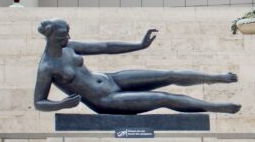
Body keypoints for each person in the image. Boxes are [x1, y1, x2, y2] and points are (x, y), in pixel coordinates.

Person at [33, 18, 241, 114]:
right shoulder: (47, 67)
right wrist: (61, 105)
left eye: (68, 33)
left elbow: (106, 46)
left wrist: (139, 45)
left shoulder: (71, 46)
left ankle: (217, 78)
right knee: (164, 98)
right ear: (51, 35)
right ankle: (217, 107)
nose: (67, 37)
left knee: (169, 75)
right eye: (63, 34)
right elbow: (39, 102)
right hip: (105, 100)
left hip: (111, 79)